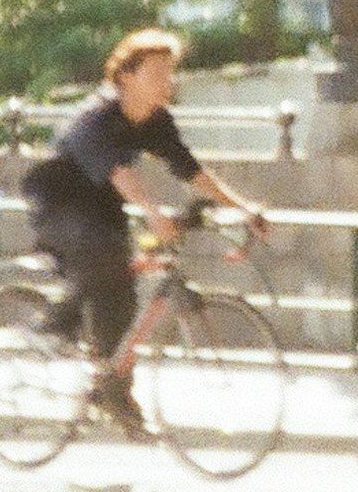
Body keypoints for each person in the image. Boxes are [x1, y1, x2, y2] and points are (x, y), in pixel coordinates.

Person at [18, 28, 264, 435]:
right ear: (127, 76)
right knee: (102, 255)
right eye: (157, 72)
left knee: (124, 301)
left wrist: (243, 208)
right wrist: (152, 213)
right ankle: (55, 325)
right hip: (58, 201)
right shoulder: (99, 117)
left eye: (171, 72)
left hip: (100, 205)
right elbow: (120, 171)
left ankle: (112, 389)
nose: (168, 81)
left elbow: (190, 170)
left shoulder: (156, 121)